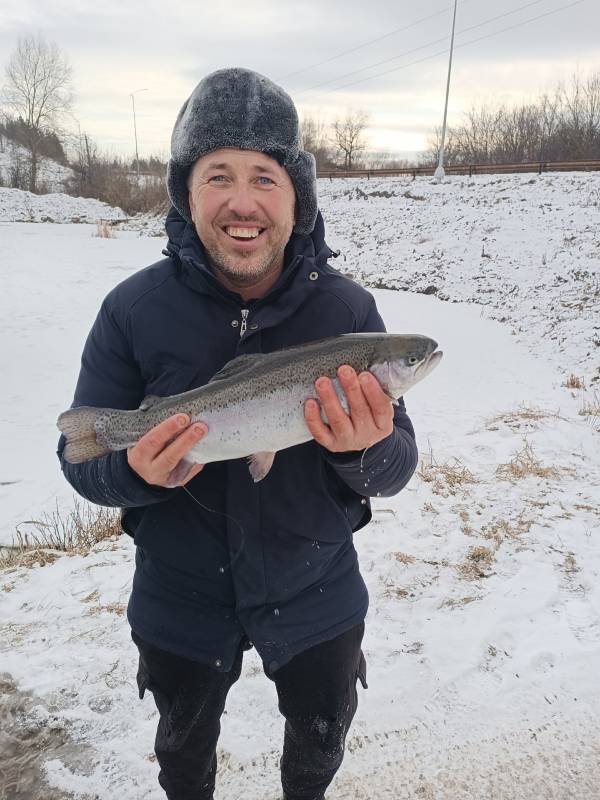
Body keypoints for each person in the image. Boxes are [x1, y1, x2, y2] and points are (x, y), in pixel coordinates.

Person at [58, 67, 418, 800]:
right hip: (178, 601)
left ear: (298, 197)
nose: (243, 201)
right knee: (183, 760)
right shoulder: (131, 310)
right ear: (187, 194)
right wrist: (137, 474)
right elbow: (81, 453)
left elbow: (396, 468)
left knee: (319, 749)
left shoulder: (350, 315)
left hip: (319, 592)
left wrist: (363, 448)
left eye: (266, 176)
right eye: (218, 175)